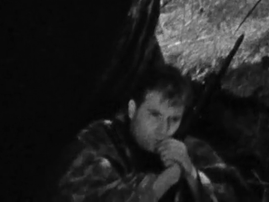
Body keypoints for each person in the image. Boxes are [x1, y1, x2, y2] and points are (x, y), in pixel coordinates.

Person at [54, 62, 244, 202]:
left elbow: (235, 193)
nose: (164, 129)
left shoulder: (187, 148)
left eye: (174, 119)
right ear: (132, 109)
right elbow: (79, 195)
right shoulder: (99, 140)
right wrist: (163, 182)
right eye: (154, 115)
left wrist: (192, 175)